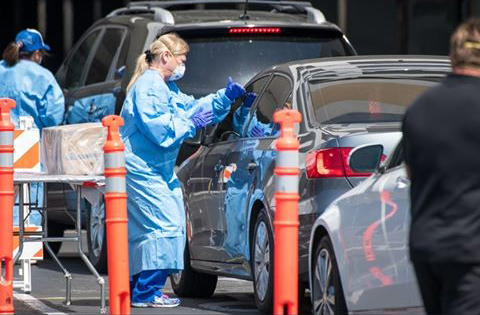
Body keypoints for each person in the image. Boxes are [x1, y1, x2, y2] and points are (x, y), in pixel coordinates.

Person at [120, 33, 245, 308]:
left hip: (156, 170)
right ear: (166, 57)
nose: (183, 65)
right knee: (164, 226)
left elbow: (192, 108)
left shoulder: (164, 87)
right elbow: (161, 129)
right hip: (143, 168)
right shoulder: (149, 87)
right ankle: (146, 291)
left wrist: (224, 98)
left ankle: (138, 288)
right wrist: (190, 125)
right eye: (182, 59)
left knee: (158, 227)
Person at [402, 18, 480, 315]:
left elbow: (410, 172)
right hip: (471, 250)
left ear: (453, 55)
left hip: (426, 248)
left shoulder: (418, 108)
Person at [0, 29, 64, 226]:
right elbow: (54, 116)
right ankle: (25, 249)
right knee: (29, 199)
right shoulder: (43, 76)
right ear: (37, 54)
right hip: (29, 147)